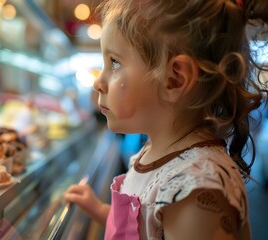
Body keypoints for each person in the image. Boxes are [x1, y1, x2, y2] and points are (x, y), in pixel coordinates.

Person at [63, 0, 268, 239]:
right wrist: (100, 211)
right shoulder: (156, 155)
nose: (98, 82)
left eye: (115, 62)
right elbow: (143, 227)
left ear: (174, 80)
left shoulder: (194, 191)